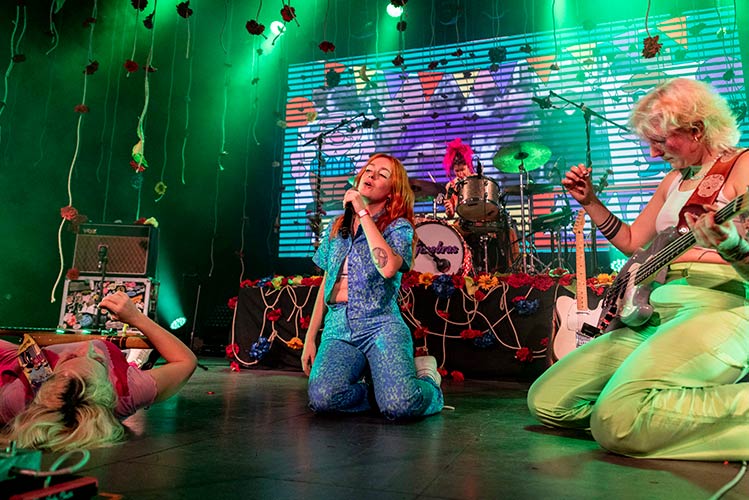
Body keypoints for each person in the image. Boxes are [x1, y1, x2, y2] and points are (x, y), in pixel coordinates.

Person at [527, 77, 749, 460]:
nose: (653, 152)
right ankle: (651, 412)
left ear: (697, 130)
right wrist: (590, 202)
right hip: (657, 311)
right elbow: (633, 241)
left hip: (719, 306)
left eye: (660, 141)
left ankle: (636, 413)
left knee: (615, 420)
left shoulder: (740, 166)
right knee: (548, 400)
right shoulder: (673, 180)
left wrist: (730, 245)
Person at [301, 153, 444, 419]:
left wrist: (363, 213)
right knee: (323, 398)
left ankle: (428, 381)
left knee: (400, 406)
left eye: (382, 174)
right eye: (369, 169)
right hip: (338, 326)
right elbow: (326, 284)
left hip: (381, 324)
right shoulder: (337, 227)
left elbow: (388, 268)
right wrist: (310, 338)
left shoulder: (398, 228)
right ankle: (378, 389)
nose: (372, 175)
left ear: (391, 192)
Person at [1, 291, 197, 451]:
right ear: (108, 382)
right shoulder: (129, 390)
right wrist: (136, 317)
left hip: (17, 363)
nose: (87, 348)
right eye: (96, 359)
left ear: (48, 379)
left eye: (71, 357)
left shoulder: (18, 399)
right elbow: (186, 361)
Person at [442, 138, 476, 219]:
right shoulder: (450, 186)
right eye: (457, 171)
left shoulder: (478, 180)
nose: (460, 174)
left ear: (469, 166)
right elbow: (450, 215)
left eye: (462, 169)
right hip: (461, 222)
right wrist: (450, 211)